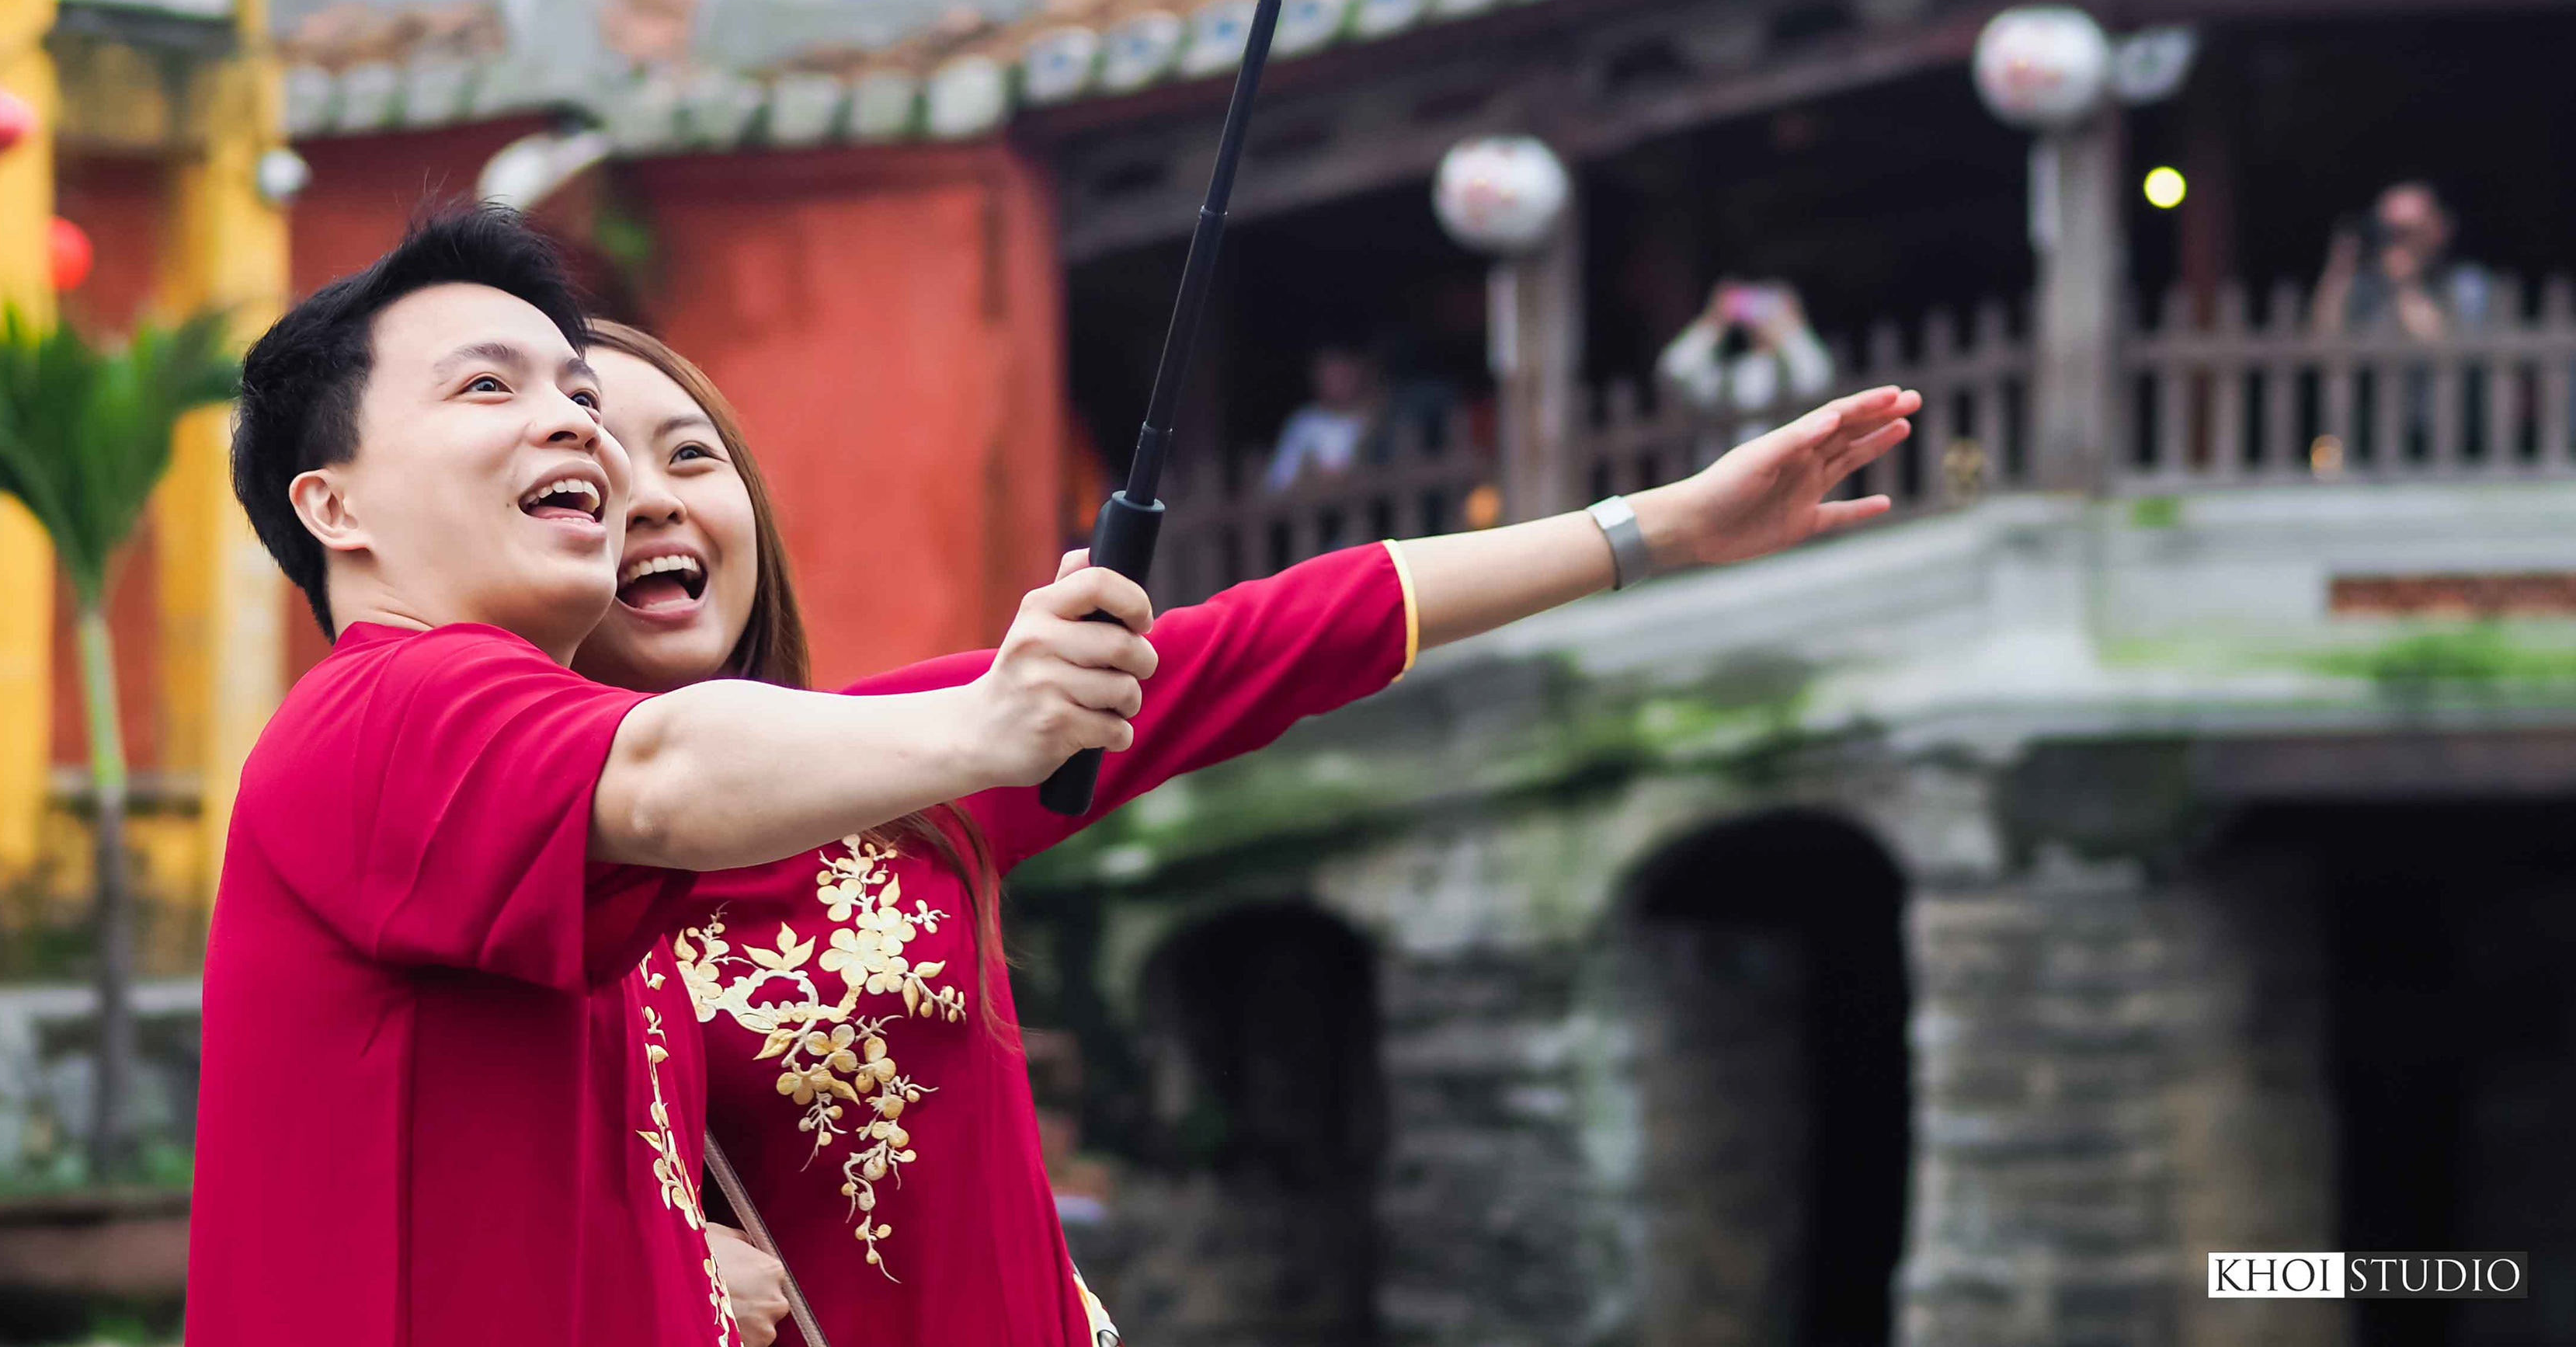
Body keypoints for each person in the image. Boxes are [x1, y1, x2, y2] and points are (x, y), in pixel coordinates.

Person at [572, 318, 1917, 1347]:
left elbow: (1282, 637)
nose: (655, 499)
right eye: (593, 476)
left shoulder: (923, 750)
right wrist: (667, 1251)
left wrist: (1667, 526)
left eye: (693, 455)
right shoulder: (516, 861)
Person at [189, 208, 1159, 1347]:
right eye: (488, 389)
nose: (574, 427)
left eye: (578, 398)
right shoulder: (382, 706)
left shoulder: (544, 814)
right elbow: (661, 768)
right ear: (333, 505)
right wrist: (990, 723)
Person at [1656, 278, 1834, 461]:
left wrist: (1789, 329)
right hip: (1727, 482)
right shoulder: (1731, 375)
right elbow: (1675, 372)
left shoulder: (1794, 372)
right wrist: (1714, 321)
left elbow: (1819, 376)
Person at [2311, 181, 2491, 341]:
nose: (2397, 242)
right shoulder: (2366, 285)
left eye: (2408, 231)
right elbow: (2323, 338)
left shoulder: (2466, 284)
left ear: (2439, 228)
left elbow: (2443, 348)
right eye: (2388, 231)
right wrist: (2340, 268)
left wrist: (2407, 286)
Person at [1263, 345, 1381, 489]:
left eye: (1342, 373)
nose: (1337, 382)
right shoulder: (1304, 423)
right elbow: (1280, 481)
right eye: (1329, 374)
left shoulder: (1373, 417)